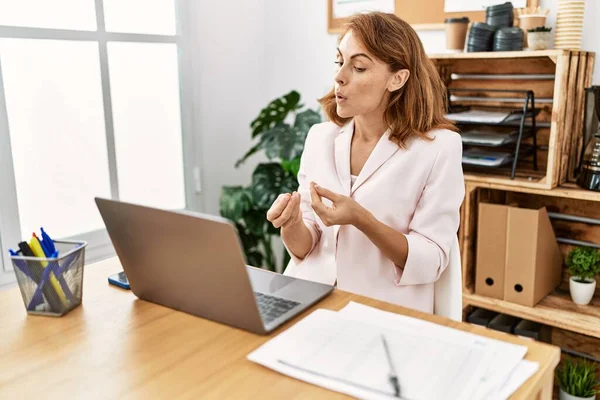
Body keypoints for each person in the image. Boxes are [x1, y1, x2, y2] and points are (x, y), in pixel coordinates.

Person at [266, 12, 465, 314]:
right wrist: (292, 224)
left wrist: (362, 219)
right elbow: (306, 249)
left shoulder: (438, 148)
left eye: (358, 67)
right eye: (339, 61)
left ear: (397, 78)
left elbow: (431, 261)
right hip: (311, 304)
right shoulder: (320, 138)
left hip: (383, 312)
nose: (340, 76)